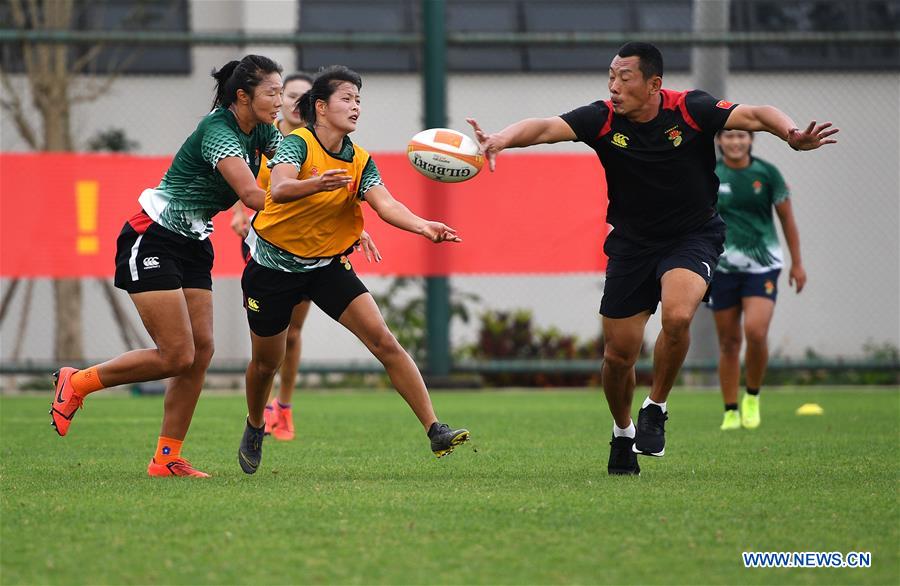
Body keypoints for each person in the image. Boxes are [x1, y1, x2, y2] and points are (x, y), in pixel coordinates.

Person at [466, 42, 837, 476]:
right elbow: (547, 127)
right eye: (611, 76)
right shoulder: (602, 118)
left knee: (677, 316)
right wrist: (501, 139)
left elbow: (757, 114)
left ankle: (656, 406)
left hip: (693, 236)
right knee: (618, 356)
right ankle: (623, 432)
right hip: (632, 244)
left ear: (654, 84)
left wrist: (791, 134)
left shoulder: (691, 110)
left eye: (624, 78)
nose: (614, 86)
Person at [51, 55, 286, 478]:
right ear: (242, 96)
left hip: (194, 241)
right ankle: (78, 382)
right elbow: (253, 196)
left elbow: (296, 163)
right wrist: (315, 196)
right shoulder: (218, 131)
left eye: (283, 92)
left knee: (201, 351)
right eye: (272, 92)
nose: (280, 101)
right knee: (177, 354)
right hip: (153, 235)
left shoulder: (263, 130)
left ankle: (165, 459)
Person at [236, 65, 470, 474]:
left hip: (326, 266)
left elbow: (386, 204)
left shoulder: (360, 160)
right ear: (321, 107)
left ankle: (435, 429)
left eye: (359, 99)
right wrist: (318, 183)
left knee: (384, 341)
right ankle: (256, 425)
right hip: (272, 269)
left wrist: (424, 226)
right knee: (266, 364)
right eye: (347, 98)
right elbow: (281, 188)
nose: (356, 106)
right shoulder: (298, 144)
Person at [230, 71, 382, 442]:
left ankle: (283, 406)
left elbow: (343, 196)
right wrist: (238, 212)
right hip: (269, 243)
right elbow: (247, 181)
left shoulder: (332, 146)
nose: (295, 102)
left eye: (301, 94)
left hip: (315, 248)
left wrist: (354, 227)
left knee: (294, 331)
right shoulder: (272, 139)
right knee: (270, 343)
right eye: (288, 94)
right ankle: (259, 412)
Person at [710, 129, 806, 431]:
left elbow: (787, 219)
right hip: (722, 267)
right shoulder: (710, 174)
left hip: (763, 266)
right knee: (728, 342)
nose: (735, 142)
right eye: (729, 136)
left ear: (751, 140)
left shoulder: (767, 173)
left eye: (742, 136)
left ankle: (752, 396)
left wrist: (797, 263)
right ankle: (730, 410)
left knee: (755, 331)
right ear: (719, 141)